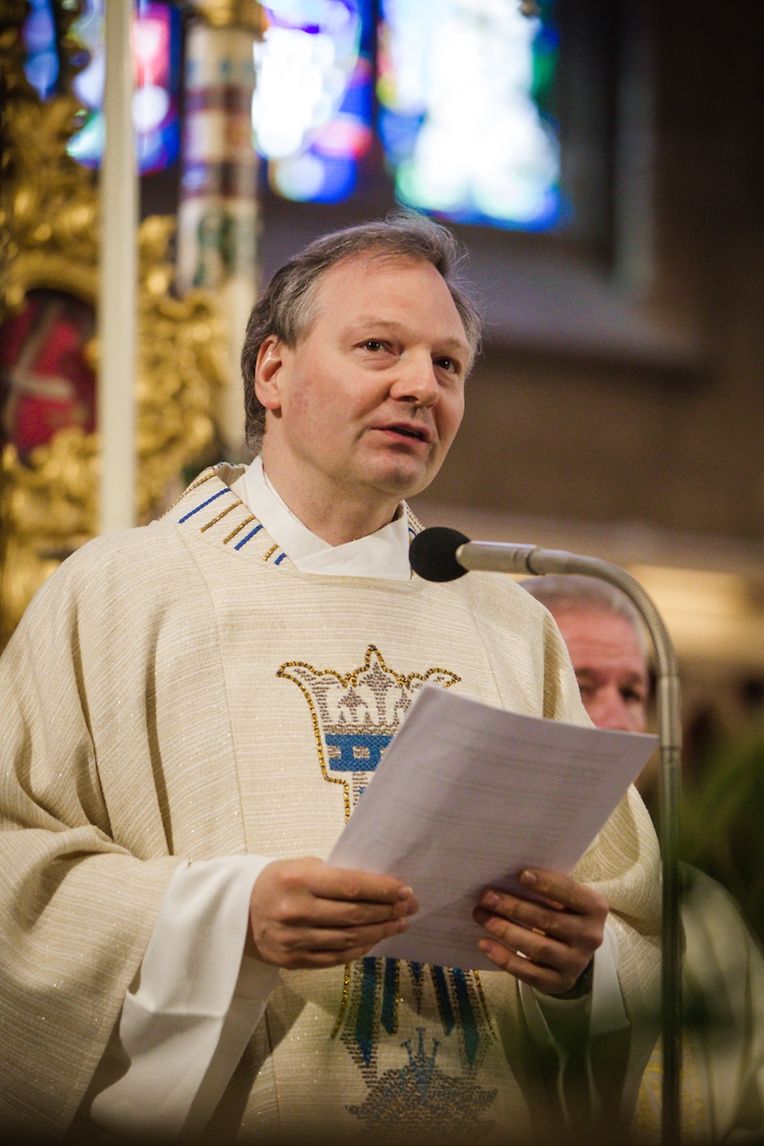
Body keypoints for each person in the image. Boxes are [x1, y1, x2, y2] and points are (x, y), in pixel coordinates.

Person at [0, 214, 662, 1145]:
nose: (419, 386)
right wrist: (227, 918)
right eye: (378, 348)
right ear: (272, 372)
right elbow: (13, 873)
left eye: (448, 365)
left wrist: (585, 966)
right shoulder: (121, 593)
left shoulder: (511, 626)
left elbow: (635, 922)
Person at [521, 573, 764, 1144]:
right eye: (582, 686)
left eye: (632, 693)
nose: (618, 720)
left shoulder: (701, 908)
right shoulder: (464, 886)